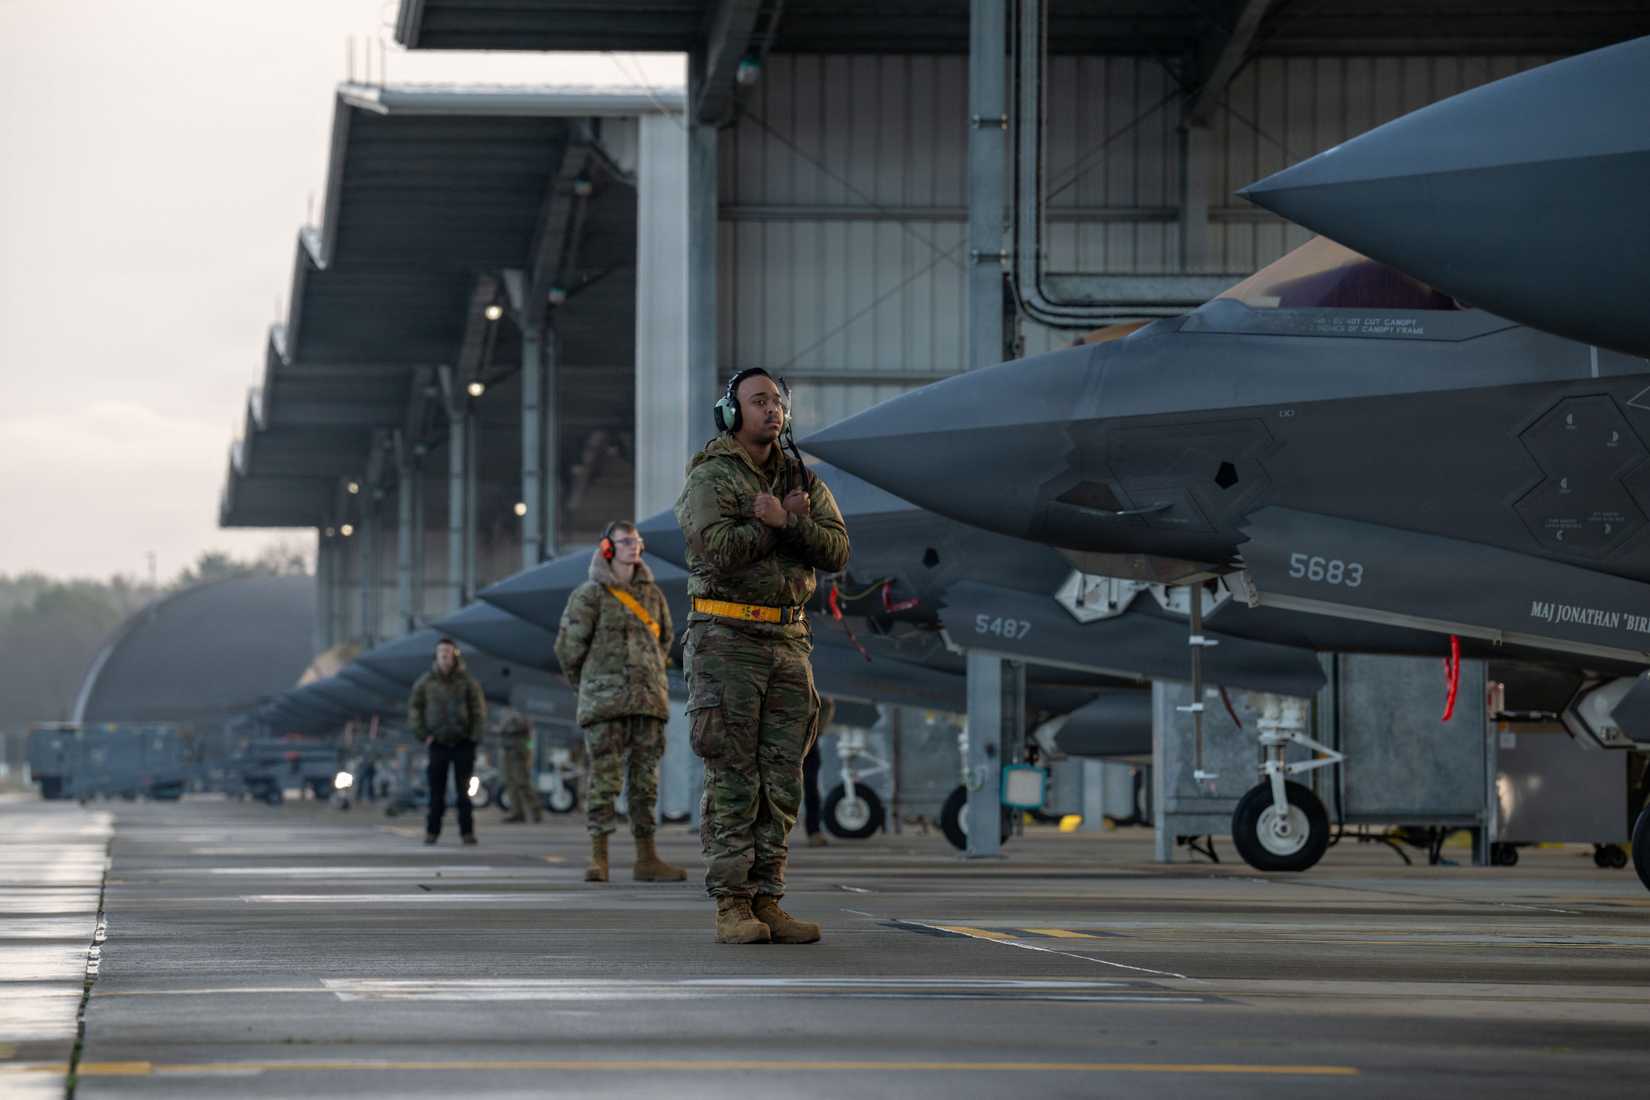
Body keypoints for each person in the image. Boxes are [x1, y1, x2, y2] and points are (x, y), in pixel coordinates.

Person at [674, 368, 850, 944]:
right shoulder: (712, 477)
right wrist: (775, 523)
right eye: (757, 401)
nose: (771, 410)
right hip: (727, 638)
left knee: (782, 778)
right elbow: (715, 549)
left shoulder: (802, 479)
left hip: (788, 639)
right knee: (733, 774)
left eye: (776, 401)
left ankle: (769, 898)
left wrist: (790, 519)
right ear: (732, 412)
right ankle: (731, 904)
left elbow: (838, 550)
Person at [554, 521, 686, 884]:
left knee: (645, 783)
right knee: (605, 780)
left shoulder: (653, 595)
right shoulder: (589, 594)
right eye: (625, 542)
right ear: (608, 548)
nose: (633, 547)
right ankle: (599, 858)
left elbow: (665, 641)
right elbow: (568, 649)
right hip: (605, 703)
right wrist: (590, 686)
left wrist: (649, 678)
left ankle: (647, 858)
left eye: (637, 541)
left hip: (647, 701)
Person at [407, 638, 486, 846]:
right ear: (436, 655)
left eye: (448, 651)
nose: (444, 655)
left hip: (463, 743)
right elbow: (415, 710)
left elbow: (478, 710)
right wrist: (423, 734)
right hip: (438, 744)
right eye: (441, 651)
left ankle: (467, 833)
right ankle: (432, 832)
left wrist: (474, 736)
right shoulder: (425, 683)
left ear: (455, 655)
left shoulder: (467, 681)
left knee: (463, 793)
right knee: (436, 793)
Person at [802, 697, 835, 847]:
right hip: (801, 742)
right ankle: (814, 833)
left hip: (803, 743)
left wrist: (817, 730)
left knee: (811, 791)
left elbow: (827, 703)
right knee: (810, 791)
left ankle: (814, 831)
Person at [498, 709, 541, 824]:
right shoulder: (508, 713)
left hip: (518, 753)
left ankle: (536, 811)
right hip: (508, 750)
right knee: (511, 783)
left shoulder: (521, 711)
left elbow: (524, 731)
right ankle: (517, 813)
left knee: (523, 782)